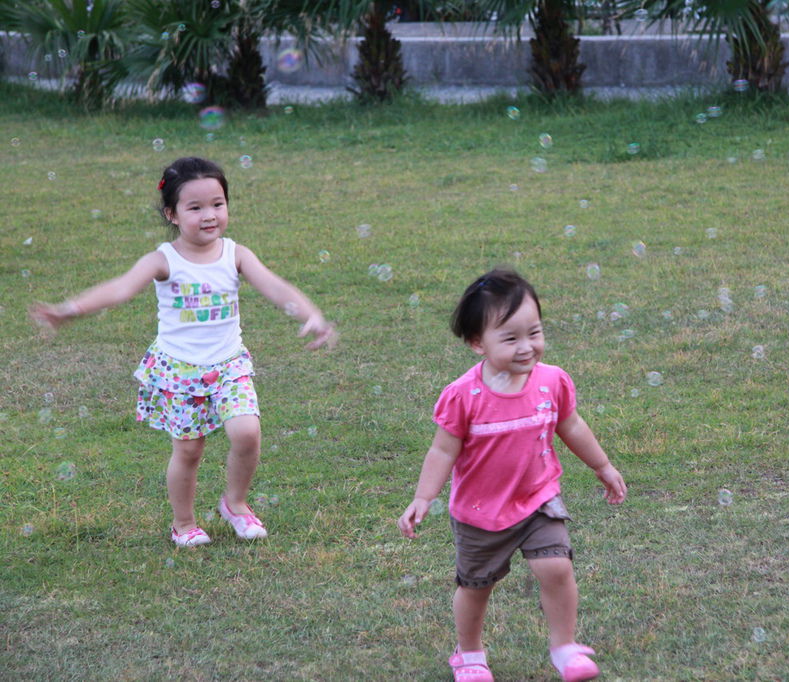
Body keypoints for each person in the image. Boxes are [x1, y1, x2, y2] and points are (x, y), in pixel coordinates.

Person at [30, 157, 336, 548]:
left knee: (247, 432)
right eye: (195, 207)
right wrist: (70, 309)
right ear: (171, 214)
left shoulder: (236, 254)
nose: (209, 215)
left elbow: (275, 286)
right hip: (180, 371)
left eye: (218, 204)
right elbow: (121, 288)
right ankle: (184, 522)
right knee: (189, 451)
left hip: (229, 365)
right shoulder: (164, 260)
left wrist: (311, 314)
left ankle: (235, 504)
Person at [397, 269, 626, 682]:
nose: (527, 347)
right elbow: (442, 450)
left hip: (539, 498)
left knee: (556, 568)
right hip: (480, 512)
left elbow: (571, 425)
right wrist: (423, 497)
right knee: (476, 588)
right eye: (510, 338)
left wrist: (602, 465)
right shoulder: (463, 396)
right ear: (477, 343)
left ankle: (564, 647)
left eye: (534, 333)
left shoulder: (551, 381)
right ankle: (469, 654)